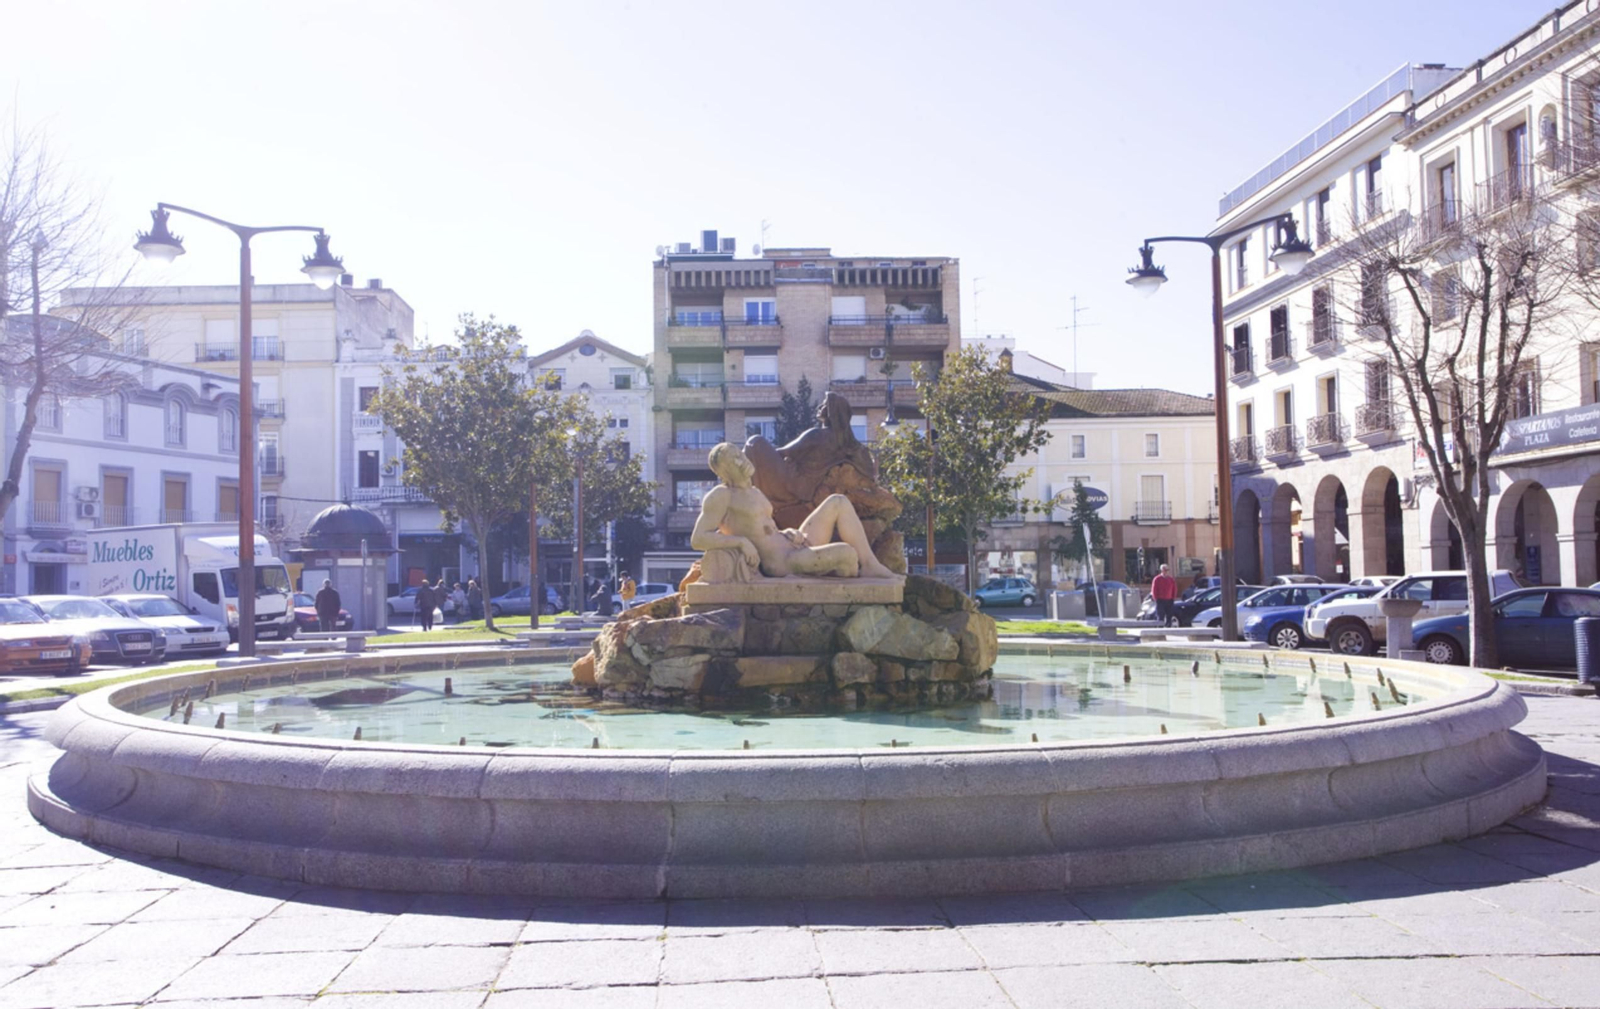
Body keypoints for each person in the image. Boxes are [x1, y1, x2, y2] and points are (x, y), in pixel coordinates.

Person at [691, 442, 897, 581]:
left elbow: (765, 529)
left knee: (838, 502)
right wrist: (740, 542)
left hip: (794, 543)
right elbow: (698, 538)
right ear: (724, 472)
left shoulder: (754, 492)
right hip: (783, 562)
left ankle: (870, 564)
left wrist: (787, 532)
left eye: (739, 454)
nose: (741, 460)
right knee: (847, 554)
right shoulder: (722, 496)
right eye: (733, 461)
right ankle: (831, 577)